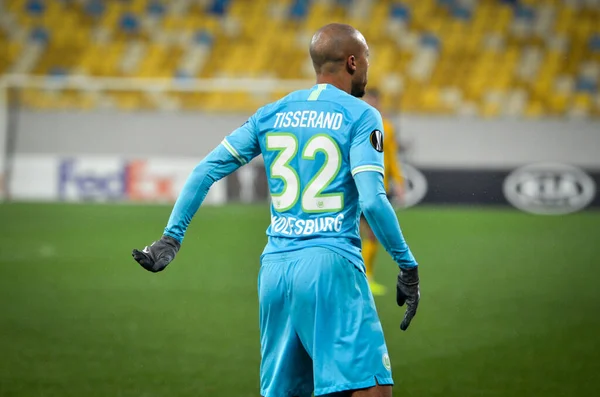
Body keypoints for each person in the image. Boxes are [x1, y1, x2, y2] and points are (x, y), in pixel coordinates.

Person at [132, 23, 420, 397]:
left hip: (275, 273)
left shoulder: (272, 113)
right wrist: (407, 265)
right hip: (330, 267)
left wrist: (172, 236)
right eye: (365, 59)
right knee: (371, 391)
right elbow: (372, 199)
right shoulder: (362, 116)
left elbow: (204, 171)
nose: (367, 68)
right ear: (352, 62)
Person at [361, 89, 406, 296]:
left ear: (379, 102)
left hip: (379, 187)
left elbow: (392, 157)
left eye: (374, 101)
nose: (371, 104)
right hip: (358, 186)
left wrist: (399, 180)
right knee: (357, 234)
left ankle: (366, 277)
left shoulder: (386, 127)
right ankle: (361, 277)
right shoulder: (357, 123)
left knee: (372, 236)